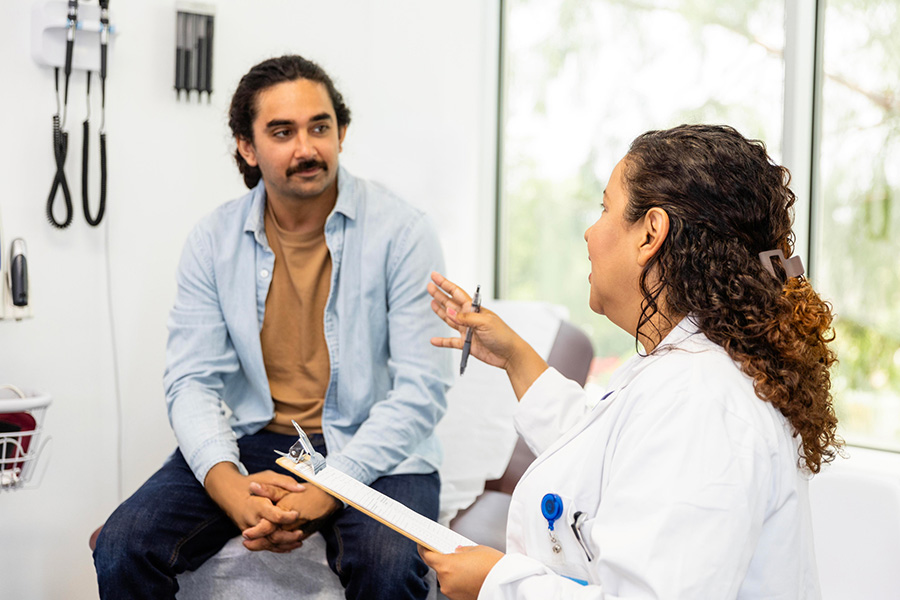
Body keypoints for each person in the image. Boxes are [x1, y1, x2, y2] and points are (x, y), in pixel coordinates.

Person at [422, 124, 841, 599]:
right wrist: (515, 356)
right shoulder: (688, 369)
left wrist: (496, 583)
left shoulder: (701, 402)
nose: (589, 230)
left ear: (650, 234)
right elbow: (606, 452)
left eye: (605, 208)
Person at [92, 55, 452, 600]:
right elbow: (191, 381)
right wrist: (228, 483)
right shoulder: (212, 240)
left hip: (377, 445)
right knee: (122, 546)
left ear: (342, 131)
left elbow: (422, 390)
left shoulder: (403, 233)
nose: (306, 148)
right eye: (282, 132)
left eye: (320, 127)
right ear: (247, 146)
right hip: (259, 438)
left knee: (387, 566)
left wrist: (329, 486)